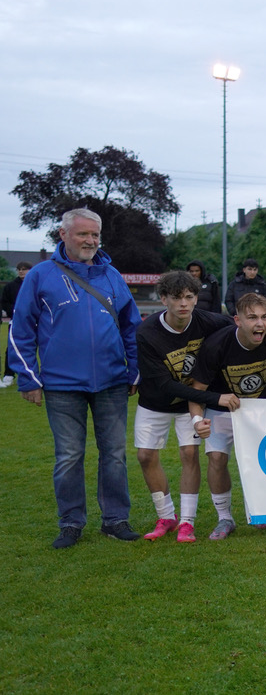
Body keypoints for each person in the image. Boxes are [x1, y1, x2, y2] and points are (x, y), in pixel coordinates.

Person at [8, 208, 142, 548]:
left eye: (95, 235)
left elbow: (132, 327)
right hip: (60, 384)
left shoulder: (112, 275)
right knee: (69, 455)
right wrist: (27, 377)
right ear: (63, 234)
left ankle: (115, 520)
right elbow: (20, 330)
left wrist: (134, 369)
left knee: (114, 453)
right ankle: (70, 523)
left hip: (112, 382)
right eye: (83, 234)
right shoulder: (40, 275)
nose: (90, 241)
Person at [135, 271, 237, 543]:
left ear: (196, 299)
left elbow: (239, 328)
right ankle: (165, 516)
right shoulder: (147, 332)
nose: (184, 303)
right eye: (177, 298)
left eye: (190, 297)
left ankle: (187, 522)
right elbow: (163, 384)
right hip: (155, 400)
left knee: (190, 454)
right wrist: (214, 398)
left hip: (189, 405)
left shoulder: (208, 321)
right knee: (145, 455)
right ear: (163, 299)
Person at [187, 292, 266, 540]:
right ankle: (224, 518)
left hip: (260, 409)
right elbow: (196, 390)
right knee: (217, 459)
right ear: (237, 320)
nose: (260, 323)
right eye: (252, 317)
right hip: (221, 410)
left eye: (264, 317)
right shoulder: (217, 345)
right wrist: (197, 421)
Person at [1, 260, 32, 387]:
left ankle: (34, 374)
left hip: (35, 322)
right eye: (19, 269)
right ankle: (8, 375)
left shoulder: (35, 284)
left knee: (39, 347)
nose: (21, 271)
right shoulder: (10, 287)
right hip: (16, 322)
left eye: (24, 269)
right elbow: (5, 302)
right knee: (12, 348)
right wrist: (17, 312)